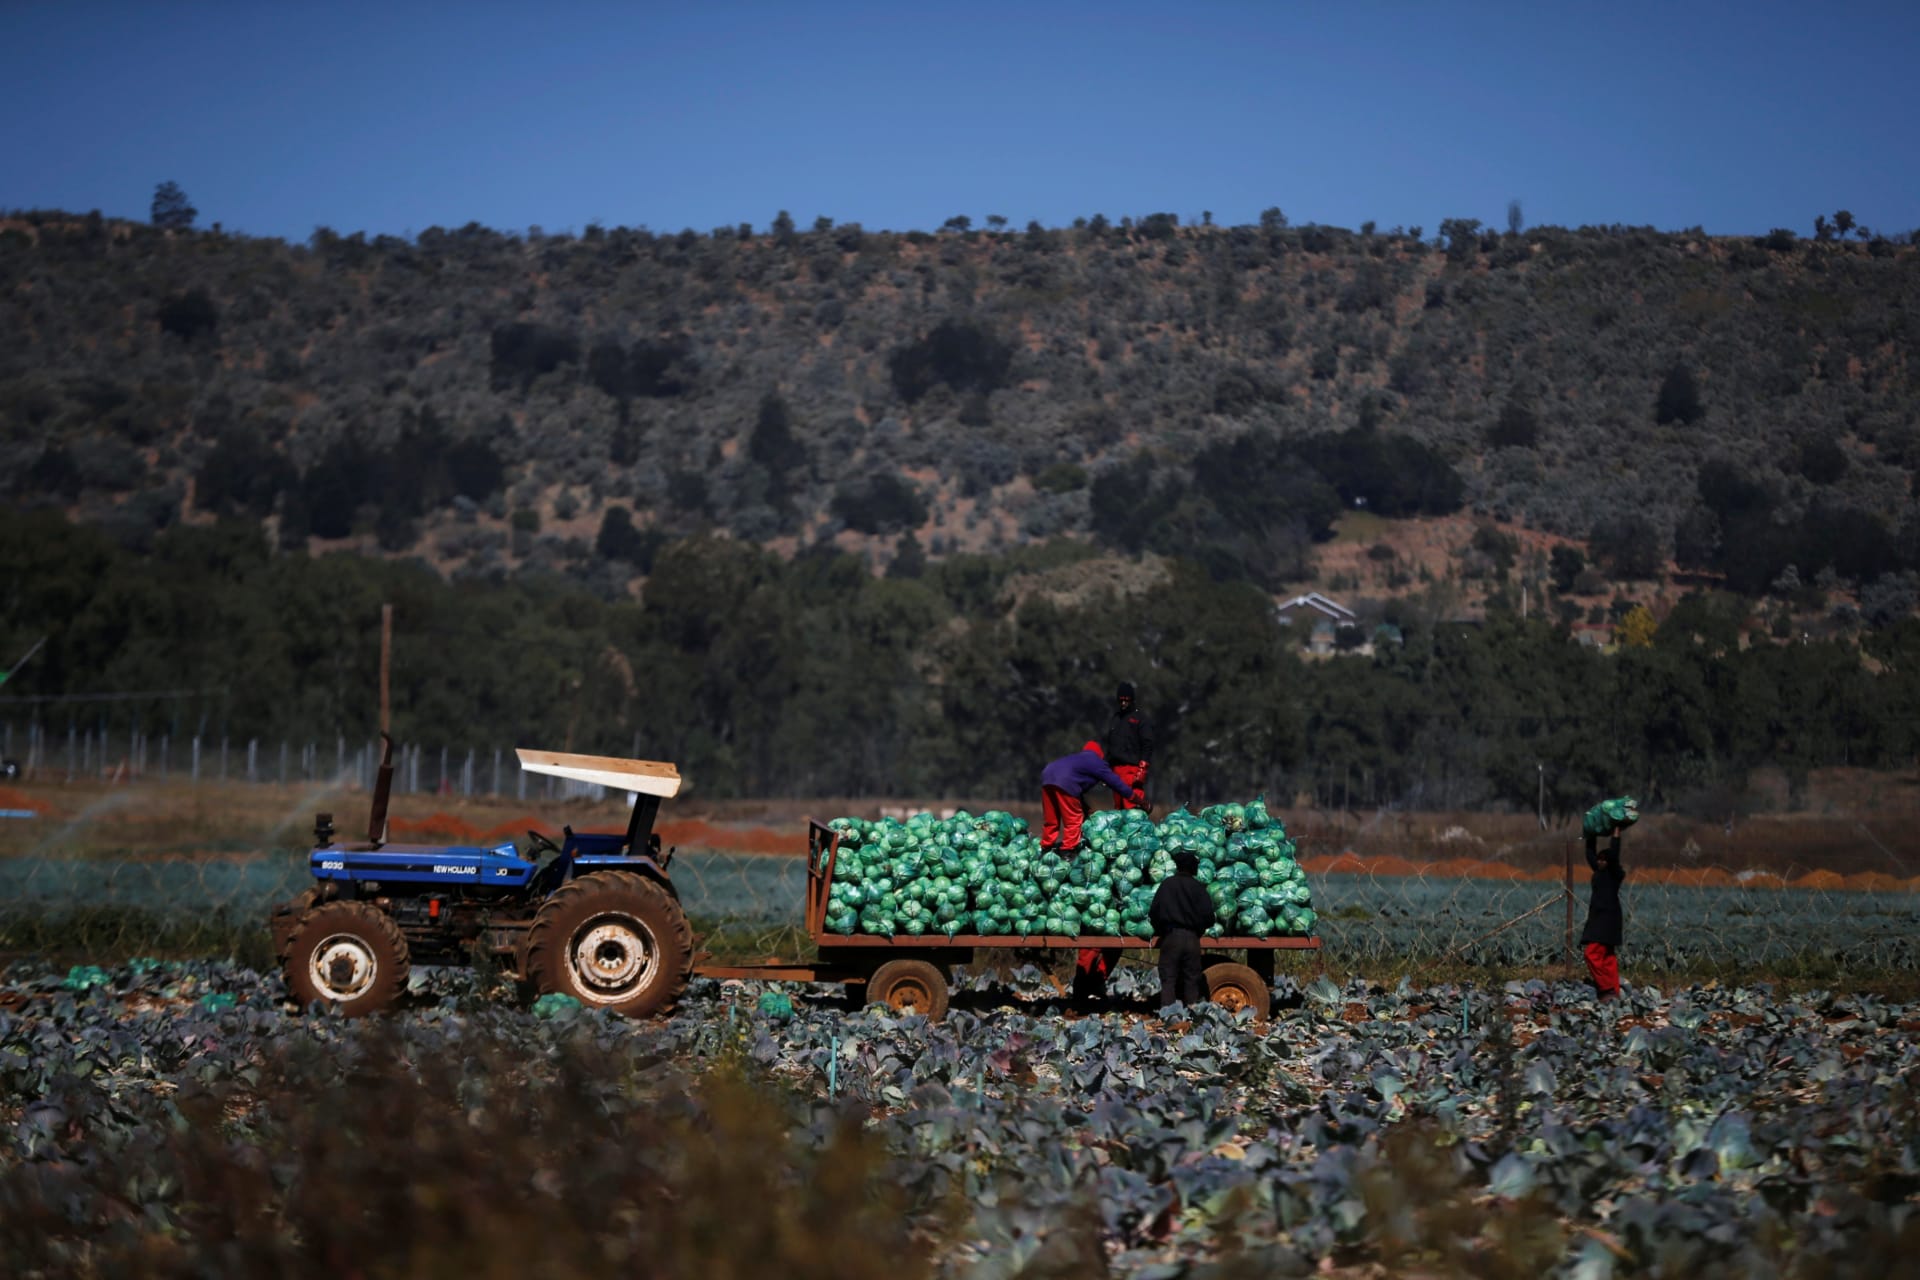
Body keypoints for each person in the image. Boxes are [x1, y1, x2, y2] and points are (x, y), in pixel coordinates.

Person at [1039, 740, 1143, 855]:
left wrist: (1085, 807)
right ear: (1100, 754)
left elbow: (1076, 792)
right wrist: (1138, 800)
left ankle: (1046, 847)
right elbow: (1118, 784)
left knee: (1051, 818)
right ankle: (1067, 851)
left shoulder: (1078, 759)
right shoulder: (1097, 762)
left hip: (1047, 776)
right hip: (1065, 781)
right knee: (1073, 820)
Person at [1150, 848, 1215, 1010]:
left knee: (1169, 978)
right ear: (1193, 868)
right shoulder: (1199, 888)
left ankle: (1169, 1016)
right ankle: (1191, 1015)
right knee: (1192, 978)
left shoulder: (1167, 885)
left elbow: (1154, 912)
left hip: (1171, 937)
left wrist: (1162, 929)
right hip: (1193, 939)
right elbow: (1209, 918)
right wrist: (1198, 929)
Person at [1580, 825, 1626, 1002]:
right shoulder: (1599, 872)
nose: (1599, 862)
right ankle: (1614, 991)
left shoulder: (1612, 874)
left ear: (1609, 862)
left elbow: (1614, 853)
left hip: (1607, 920)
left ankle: (1606, 988)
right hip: (1601, 919)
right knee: (1607, 957)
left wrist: (1616, 833)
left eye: (1603, 859)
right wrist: (1591, 835)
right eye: (1598, 860)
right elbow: (1590, 854)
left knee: (1591, 954)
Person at [1103, 682, 1155, 811]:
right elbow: (1111, 745)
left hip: (1132, 770)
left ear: (1132, 700)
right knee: (1119, 810)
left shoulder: (1140, 719)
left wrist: (1143, 768)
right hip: (1115, 771)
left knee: (1133, 811)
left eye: (1127, 700)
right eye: (1121, 700)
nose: (1124, 703)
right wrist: (1105, 769)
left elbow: (1147, 744)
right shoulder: (1115, 719)